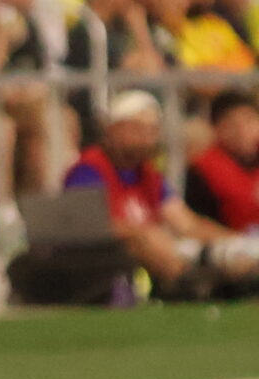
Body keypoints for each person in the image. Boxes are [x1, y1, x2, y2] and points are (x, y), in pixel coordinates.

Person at [65, 90, 259, 295]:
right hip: (112, 258)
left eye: (151, 131)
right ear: (113, 130)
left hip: (160, 249)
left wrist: (235, 242)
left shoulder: (149, 175)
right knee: (147, 240)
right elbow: (88, 224)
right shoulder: (89, 169)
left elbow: (186, 223)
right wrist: (140, 233)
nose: (146, 138)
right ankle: (190, 284)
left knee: (225, 251)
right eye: (137, 129)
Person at [184, 91, 259, 239]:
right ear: (216, 129)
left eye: (249, 121)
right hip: (228, 248)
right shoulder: (200, 170)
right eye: (232, 125)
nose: (243, 131)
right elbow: (196, 223)